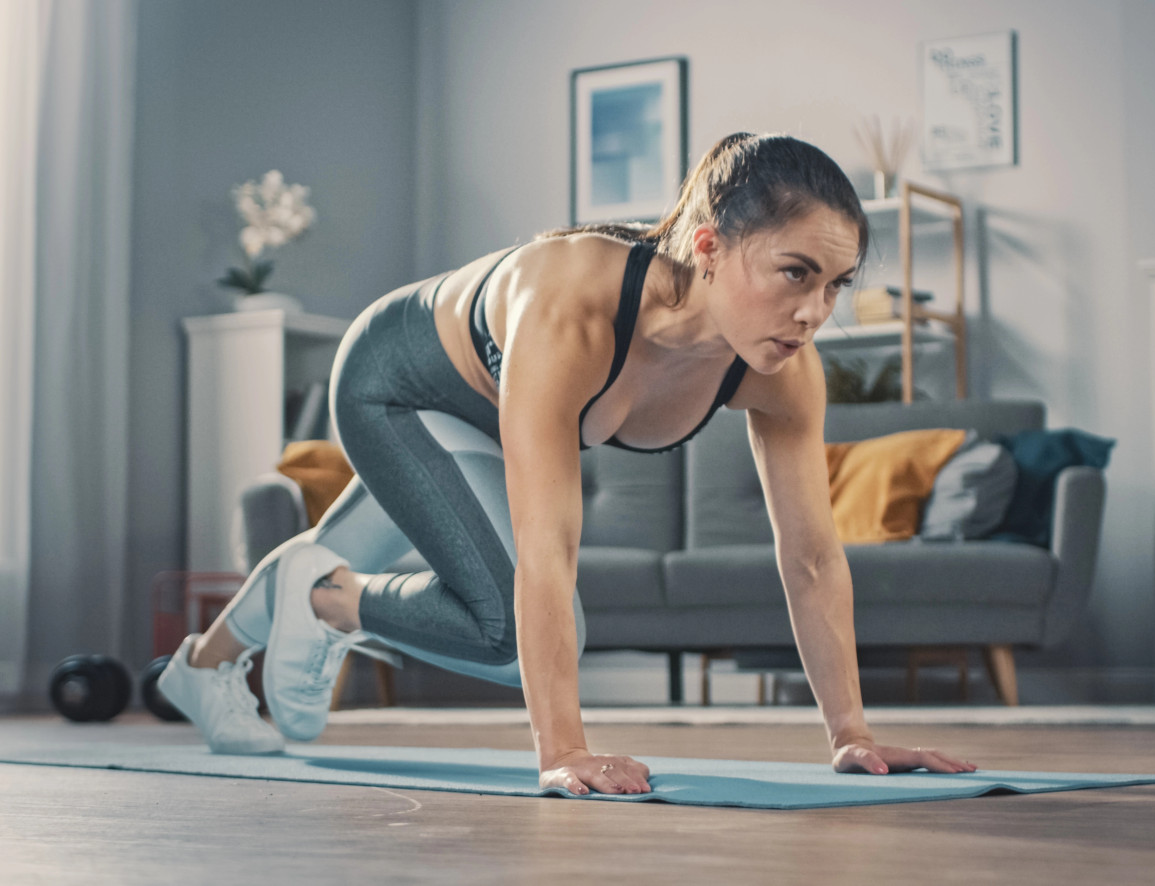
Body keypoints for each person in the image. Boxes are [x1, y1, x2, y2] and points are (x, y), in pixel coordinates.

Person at [158, 132, 977, 793]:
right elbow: (546, 548)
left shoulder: (783, 371)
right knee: (510, 629)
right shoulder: (575, 310)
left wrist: (852, 737)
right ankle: (326, 599)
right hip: (398, 389)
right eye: (795, 273)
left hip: (475, 421)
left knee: (446, 579)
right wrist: (564, 751)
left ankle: (200, 669)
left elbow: (810, 557)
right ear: (709, 247)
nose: (814, 313)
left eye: (834, 285)